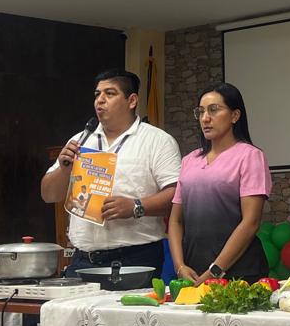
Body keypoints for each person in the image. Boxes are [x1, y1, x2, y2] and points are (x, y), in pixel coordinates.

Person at [41, 69, 181, 273]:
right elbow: (48, 195)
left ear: (131, 101)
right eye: (97, 94)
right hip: (83, 259)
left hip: (136, 258)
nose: (100, 100)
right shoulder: (80, 140)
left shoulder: (157, 141)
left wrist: (136, 206)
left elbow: (177, 195)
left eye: (110, 93)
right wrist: (63, 169)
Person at [168, 83, 272, 284]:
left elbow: (250, 222)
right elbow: (175, 221)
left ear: (235, 116)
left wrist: (215, 271)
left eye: (214, 110)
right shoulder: (189, 160)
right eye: (201, 112)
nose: (205, 118)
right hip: (193, 272)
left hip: (239, 273)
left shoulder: (250, 156)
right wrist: (180, 267)